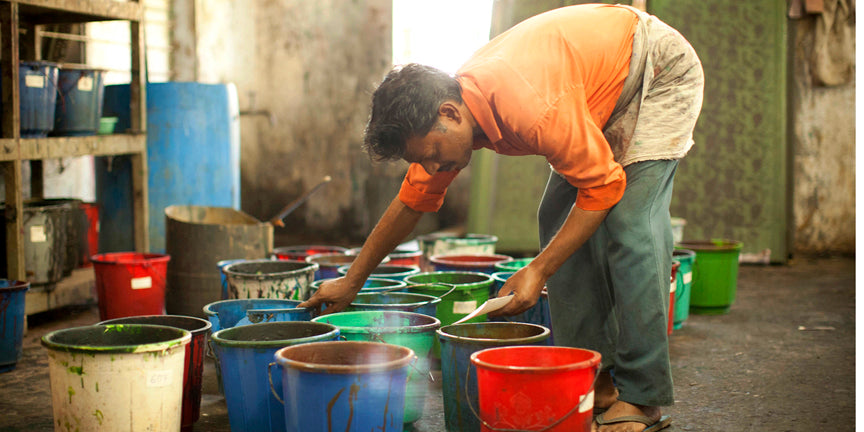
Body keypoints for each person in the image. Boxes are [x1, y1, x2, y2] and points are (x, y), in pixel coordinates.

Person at [299, 4, 703, 432]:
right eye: (424, 160)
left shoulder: (531, 107)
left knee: (631, 226)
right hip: (594, 88)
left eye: (433, 156)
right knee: (557, 216)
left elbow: (603, 190)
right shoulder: (441, 121)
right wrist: (351, 280)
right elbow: (409, 204)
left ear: (450, 114)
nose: (434, 169)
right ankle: (596, 378)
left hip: (655, 67)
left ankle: (643, 396)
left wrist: (538, 269)